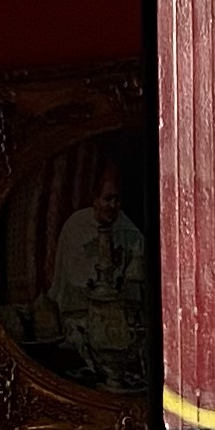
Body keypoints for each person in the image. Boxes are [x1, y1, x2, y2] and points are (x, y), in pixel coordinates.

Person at [43, 156, 147, 378]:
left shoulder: (129, 231)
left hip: (117, 316)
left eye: (117, 200)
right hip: (78, 314)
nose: (113, 206)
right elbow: (74, 281)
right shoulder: (76, 227)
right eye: (107, 199)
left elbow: (137, 271)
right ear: (95, 199)